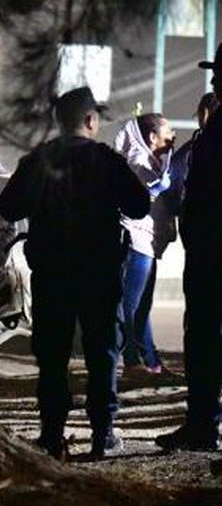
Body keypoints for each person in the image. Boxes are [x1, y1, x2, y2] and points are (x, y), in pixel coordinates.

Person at [0, 86, 149, 459]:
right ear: (91, 120)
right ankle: (103, 434)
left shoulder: (39, 161)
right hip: (99, 274)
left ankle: (52, 434)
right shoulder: (106, 160)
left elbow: (9, 207)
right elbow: (139, 205)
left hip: (52, 274)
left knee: (52, 355)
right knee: (102, 353)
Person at [156, 45, 222, 452]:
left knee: (204, 340)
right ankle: (202, 423)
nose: (213, 81)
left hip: (213, 256)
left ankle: (203, 425)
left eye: (219, 74)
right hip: (207, 252)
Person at [112, 113, 176, 375]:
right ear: (152, 137)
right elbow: (139, 199)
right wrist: (156, 189)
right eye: (168, 131)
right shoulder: (139, 163)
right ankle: (132, 360)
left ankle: (151, 361)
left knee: (142, 306)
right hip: (137, 243)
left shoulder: (151, 161)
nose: (173, 135)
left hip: (145, 243)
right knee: (130, 305)